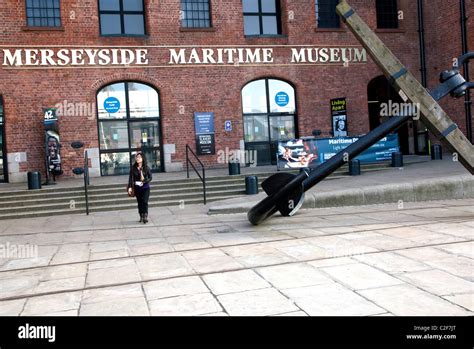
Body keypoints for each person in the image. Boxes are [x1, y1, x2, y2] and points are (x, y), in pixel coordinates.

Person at [127, 152, 152, 223]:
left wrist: (144, 181)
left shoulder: (146, 168)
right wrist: (130, 187)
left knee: (145, 201)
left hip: (145, 188)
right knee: (140, 202)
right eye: (137, 157)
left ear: (143, 158)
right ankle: (141, 215)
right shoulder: (133, 168)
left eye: (139, 157)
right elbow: (130, 178)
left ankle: (145, 216)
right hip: (137, 188)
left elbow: (150, 177)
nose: (138, 158)